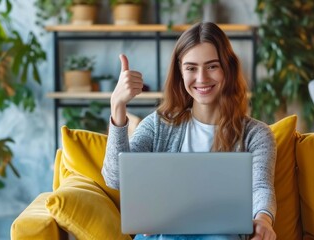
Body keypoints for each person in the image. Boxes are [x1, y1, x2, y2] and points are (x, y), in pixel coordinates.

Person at [102, 22, 277, 240]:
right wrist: (117, 108)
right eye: (191, 68)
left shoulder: (257, 134)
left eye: (212, 66)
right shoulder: (158, 125)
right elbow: (116, 179)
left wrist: (263, 219)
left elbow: (261, 187)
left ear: (228, 68)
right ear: (180, 72)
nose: (202, 78)